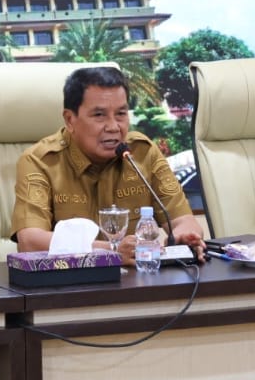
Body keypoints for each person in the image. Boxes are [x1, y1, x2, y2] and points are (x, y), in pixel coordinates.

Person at [11, 66, 205, 264]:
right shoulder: (39, 161)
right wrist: (111, 252)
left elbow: (184, 220)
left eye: (121, 114)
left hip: (139, 285)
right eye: (99, 115)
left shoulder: (142, 153)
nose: (113, 127)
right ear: (70, 120)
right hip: (69, 288)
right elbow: (30, 241)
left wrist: (184, 237)